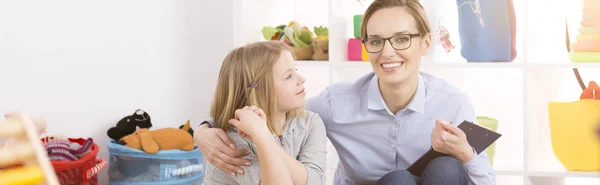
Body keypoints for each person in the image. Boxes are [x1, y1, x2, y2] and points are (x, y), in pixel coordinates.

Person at [194, 0, 496, 184]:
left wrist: (467, 155)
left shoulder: (453, 102)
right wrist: (204, 130)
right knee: (400, 180)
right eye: (376, 41)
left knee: (446, 167)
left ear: (425, 43)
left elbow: (484, 180)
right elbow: (267, 102)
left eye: (402, 39)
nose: (387, 52)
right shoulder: (336, 103)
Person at [200, 41, 327, 185]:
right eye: (288, 76)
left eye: (295, 70)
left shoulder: (309, 122)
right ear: (257, 90)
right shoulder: (232, 141)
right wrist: (263, 138)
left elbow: (316, 181)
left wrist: (264, 137)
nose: (301, 79)